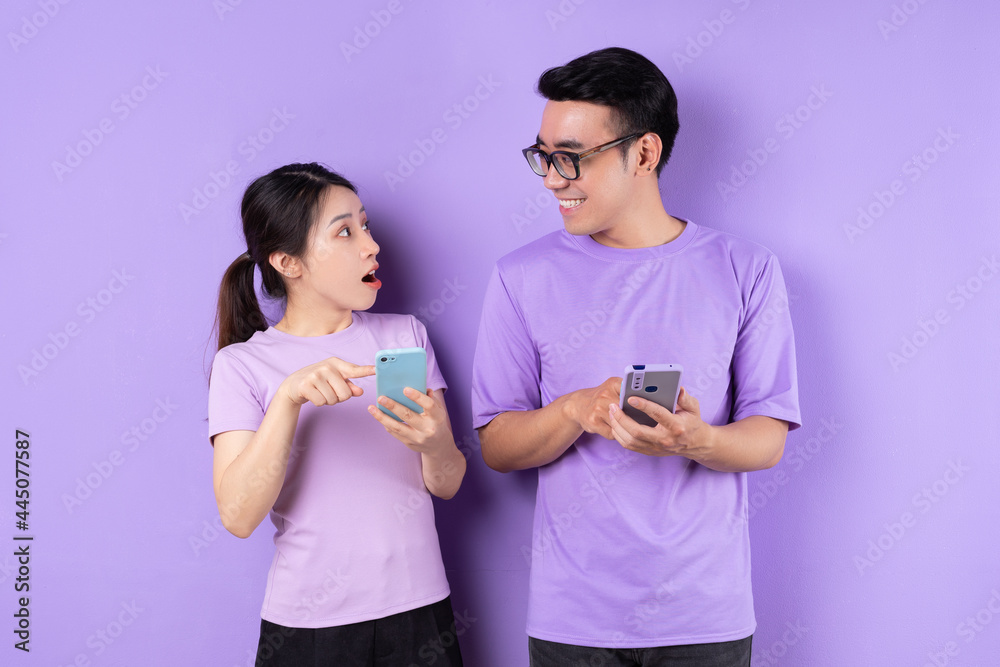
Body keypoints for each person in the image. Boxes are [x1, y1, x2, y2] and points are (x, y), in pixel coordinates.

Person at [471, 47, 801, 666]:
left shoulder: (745, 269)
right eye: (542, 156)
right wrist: (573, 410)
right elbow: (497, 446)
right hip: (574, 621)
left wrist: (694, 440)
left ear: (644, 154)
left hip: (705, 616)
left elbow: (768, 438)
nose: (550, 178)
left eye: (568, 158)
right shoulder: (520, 276)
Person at [208, 163, 466, 666]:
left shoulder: (404, 337)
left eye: (364, 225)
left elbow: (448, 483)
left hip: (421, 611)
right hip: (308, 628)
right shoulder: (242, 365)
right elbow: (238, 517)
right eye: (345, 232)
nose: (370, 245)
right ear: (288, 262)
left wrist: (435, 444)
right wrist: (287, 400)